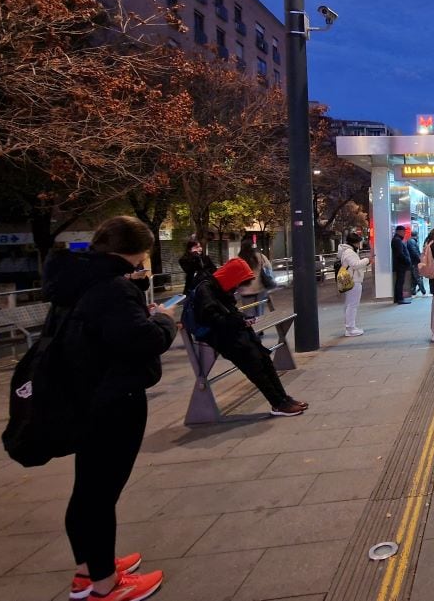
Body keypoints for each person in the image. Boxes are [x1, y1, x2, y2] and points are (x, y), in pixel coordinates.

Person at [44, 216, 176, 601]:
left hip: (81, 396)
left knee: (87, 488)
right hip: (112, 400)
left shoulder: (75, 280)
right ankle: (106, 585)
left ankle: (90, 568)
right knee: (100, 493)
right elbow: (142, 340)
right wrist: (165, 321)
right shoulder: (111, 288)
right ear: (136, 250)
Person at [191, 258, 307, 416]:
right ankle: (278, 403)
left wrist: (243, 320)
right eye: (238, 282)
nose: (238, 287)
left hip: (234, 332)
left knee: (263, 357)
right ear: (232, 276)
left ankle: (283, 398)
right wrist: (240, 321)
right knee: (254, 363)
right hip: (222, 338)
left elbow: (229, 313)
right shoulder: (206, 290)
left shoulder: (219, 286)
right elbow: (215, 320)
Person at [338, 231, 372, 336]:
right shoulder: (349, 252)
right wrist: (367, 259)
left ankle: (350, 326)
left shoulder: (347, 251)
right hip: (353, 280)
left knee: (349, 304)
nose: (359, 245)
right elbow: (355, 265)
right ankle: (350, 328)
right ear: (354, 242)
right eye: (358, 242)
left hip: (352, 279)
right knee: (352, 305)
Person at [236, 240, 272, 322]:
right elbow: (269, 267)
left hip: (245, 289)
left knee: (248, 312)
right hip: (260, 288)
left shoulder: (239, 259)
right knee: (260, 310)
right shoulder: (260, 256)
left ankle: (253, 330)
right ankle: (260, 328)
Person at [390, 225, 412, 305]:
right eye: (403, 231)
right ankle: (399, 298)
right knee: (400, 282)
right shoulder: (397, 240)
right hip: (400, 265)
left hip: (400, 264)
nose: (404, 233)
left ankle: (398, 298)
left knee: (399, 281)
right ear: (399, 231)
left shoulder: (397, 240)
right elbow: (400, 254)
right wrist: (407, 260)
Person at [406, 229, 427, 297]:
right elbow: (414, 252)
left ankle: (413, 291)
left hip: (413, 262)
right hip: (414, 262)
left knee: (414, 278)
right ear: (416, 235)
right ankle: (423, 292)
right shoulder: (412, 242)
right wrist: (420, 259)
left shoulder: (411, 241)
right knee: (418, 277)